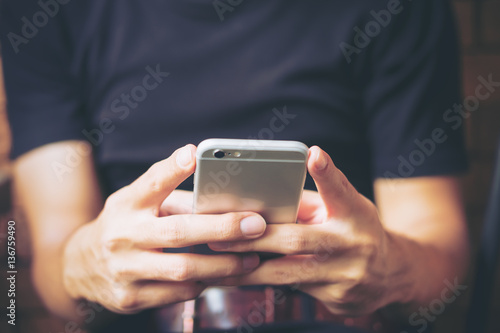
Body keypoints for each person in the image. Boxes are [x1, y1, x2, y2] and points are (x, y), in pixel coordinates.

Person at [0, 0, 470, 332]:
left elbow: (441, 257)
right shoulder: (42, 11)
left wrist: (391, 268)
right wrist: (87, 262)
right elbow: (52, 267)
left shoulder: (401, 7)